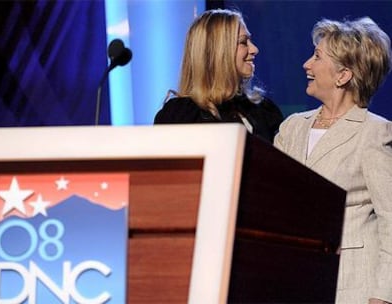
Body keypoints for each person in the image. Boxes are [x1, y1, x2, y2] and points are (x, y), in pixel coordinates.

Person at [274, 17, 392, 304]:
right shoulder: (292, 127)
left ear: (343, 76)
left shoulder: (374, 133)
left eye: (317, 57)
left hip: (352, 286)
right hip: (294, 281)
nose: (306, 65)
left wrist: (382, 295)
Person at [154, 8, 283, 143]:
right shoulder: (181, 115)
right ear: (217, 51)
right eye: (243, 42)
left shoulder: (264, 110)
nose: (254, 49)